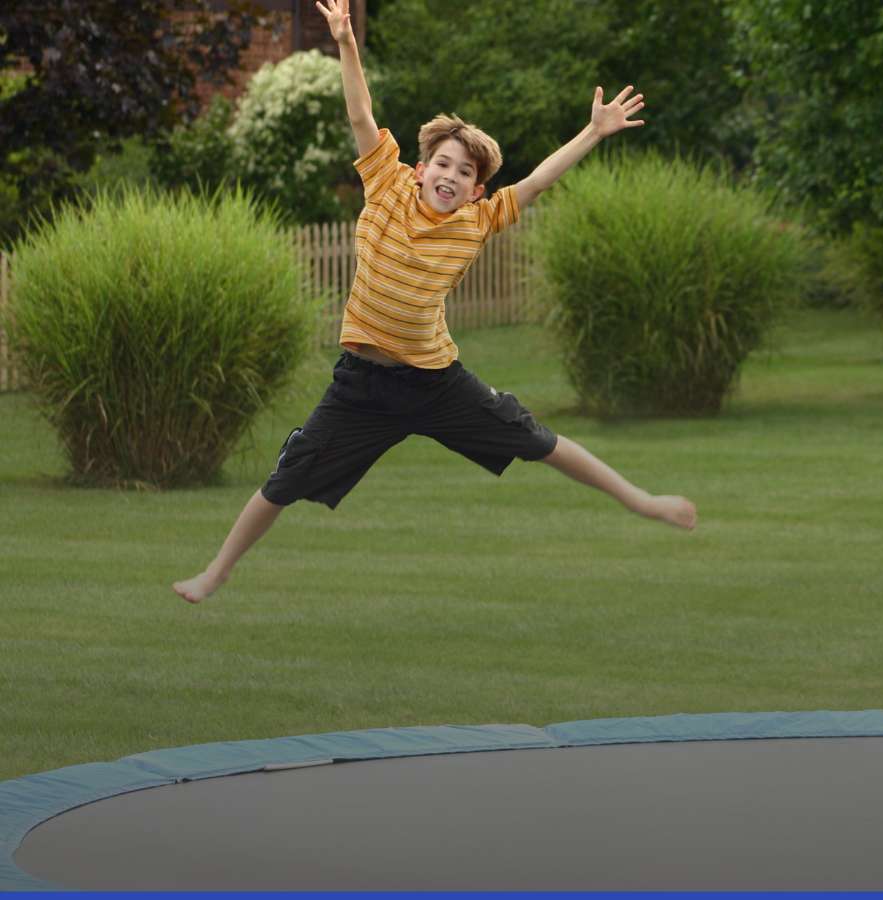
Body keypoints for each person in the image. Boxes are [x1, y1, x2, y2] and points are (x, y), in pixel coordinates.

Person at [172, 0, 696, 604]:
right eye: (442, 164)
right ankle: (219, 570)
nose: (450, 176)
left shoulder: (478, 220)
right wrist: (345, 40)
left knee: (536, 441)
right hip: (361, 388)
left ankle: (643, 501)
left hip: (435, 383)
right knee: (284, 480)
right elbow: (361, 112)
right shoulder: (385, 183)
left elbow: (536, 181)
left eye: (465, 172)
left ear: (478, 188)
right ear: (420, 169)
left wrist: (594, 132)